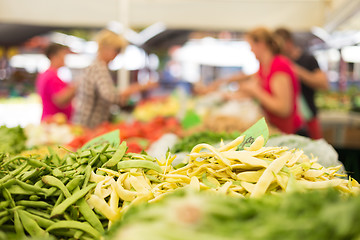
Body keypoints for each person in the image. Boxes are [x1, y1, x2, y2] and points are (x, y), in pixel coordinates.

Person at [198, 27, 303, 134]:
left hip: (289, 131)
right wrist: (222, 87)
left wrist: (255, 91)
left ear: (261, 44)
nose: (250, 50)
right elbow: (246, 79)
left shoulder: (280, 65)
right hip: (275, 129)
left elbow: (284, 109)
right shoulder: (264, 67)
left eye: (251, 45)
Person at [73, 29, 157, 129]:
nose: (117, 54)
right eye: (116, 50)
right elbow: (110, 96)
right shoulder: (99, 68)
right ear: (105, 48)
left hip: (87, 123)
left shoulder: (96, 66)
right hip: (90, 125)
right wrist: (137, 88)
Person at [274, 27, 328, 139]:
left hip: (308, 117)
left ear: (288, 42)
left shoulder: (308, 59)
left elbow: (323, 84)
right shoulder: (278, 62)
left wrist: (294, 69)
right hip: (290, 121)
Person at [36, 43, 76, 122]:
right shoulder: (51, 76)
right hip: (54, 124)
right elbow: (60, 100)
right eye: (63, 54)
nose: (64, 58)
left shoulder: (46, 74)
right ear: (53, 56)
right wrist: (76, 87)